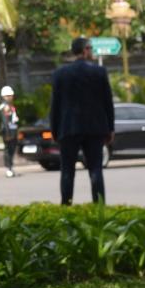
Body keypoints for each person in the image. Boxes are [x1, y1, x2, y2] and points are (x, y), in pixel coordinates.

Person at [49, 36, 115, 205]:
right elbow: (108, 102)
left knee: (67, 171)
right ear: (85, 50)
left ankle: (66, 205)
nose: (92, 52)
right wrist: (110, 129)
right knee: (95, 170)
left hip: (68, 128)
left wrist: (55, 130)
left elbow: (55, 105)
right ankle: (99, 207)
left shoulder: (60, 74)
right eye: (90, 49)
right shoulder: (99, 72)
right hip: (95, 128)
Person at [0, 85, 20, 177]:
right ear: (3, 96)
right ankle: (8, 168)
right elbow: (5, 121)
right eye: (7, 95)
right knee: (8, 149)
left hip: (13, 130)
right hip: (8, 131)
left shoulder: (11, 106)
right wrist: (7, 133)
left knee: (12, 149)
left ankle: (10, 167)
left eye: (11, 95)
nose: (10, 97)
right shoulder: (4, 107)